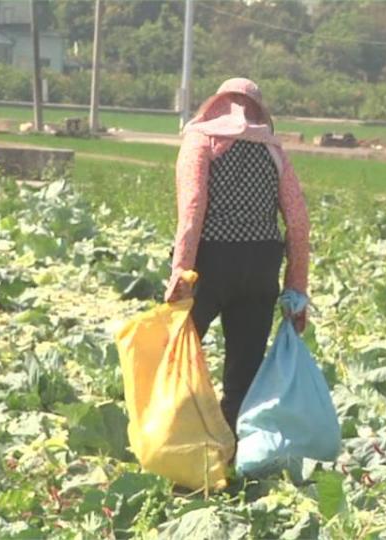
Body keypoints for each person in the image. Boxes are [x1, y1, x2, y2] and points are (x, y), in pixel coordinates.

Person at [164, 77, 310, 433]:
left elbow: (194, 206)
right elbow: (298, 221)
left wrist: (181, 270)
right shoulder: (273, 149)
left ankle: (181, 441)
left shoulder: (201, 141)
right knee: (243, 370)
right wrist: (296, 289)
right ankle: (232, 451)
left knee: (180, 355)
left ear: (212, 105)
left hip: (211, 261)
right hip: (261, 265)